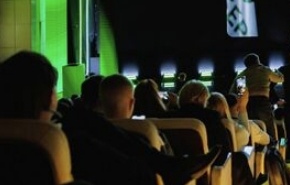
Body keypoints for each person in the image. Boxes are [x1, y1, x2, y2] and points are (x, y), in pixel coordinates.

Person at [0, 51, 220, 185]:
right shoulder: (66, 142)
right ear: (45, 96)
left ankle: (168, 166)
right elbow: (137, 177)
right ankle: (168, 167)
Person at [231, 53, 283, 140]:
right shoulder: (265, 70)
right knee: (269, 127)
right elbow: (280, 79)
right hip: (263, 102)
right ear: (258, 61)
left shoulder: (241, 75)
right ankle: (272, 144)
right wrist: (278, 72)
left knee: (253, 127)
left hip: (248, 104)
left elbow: (237, 93)